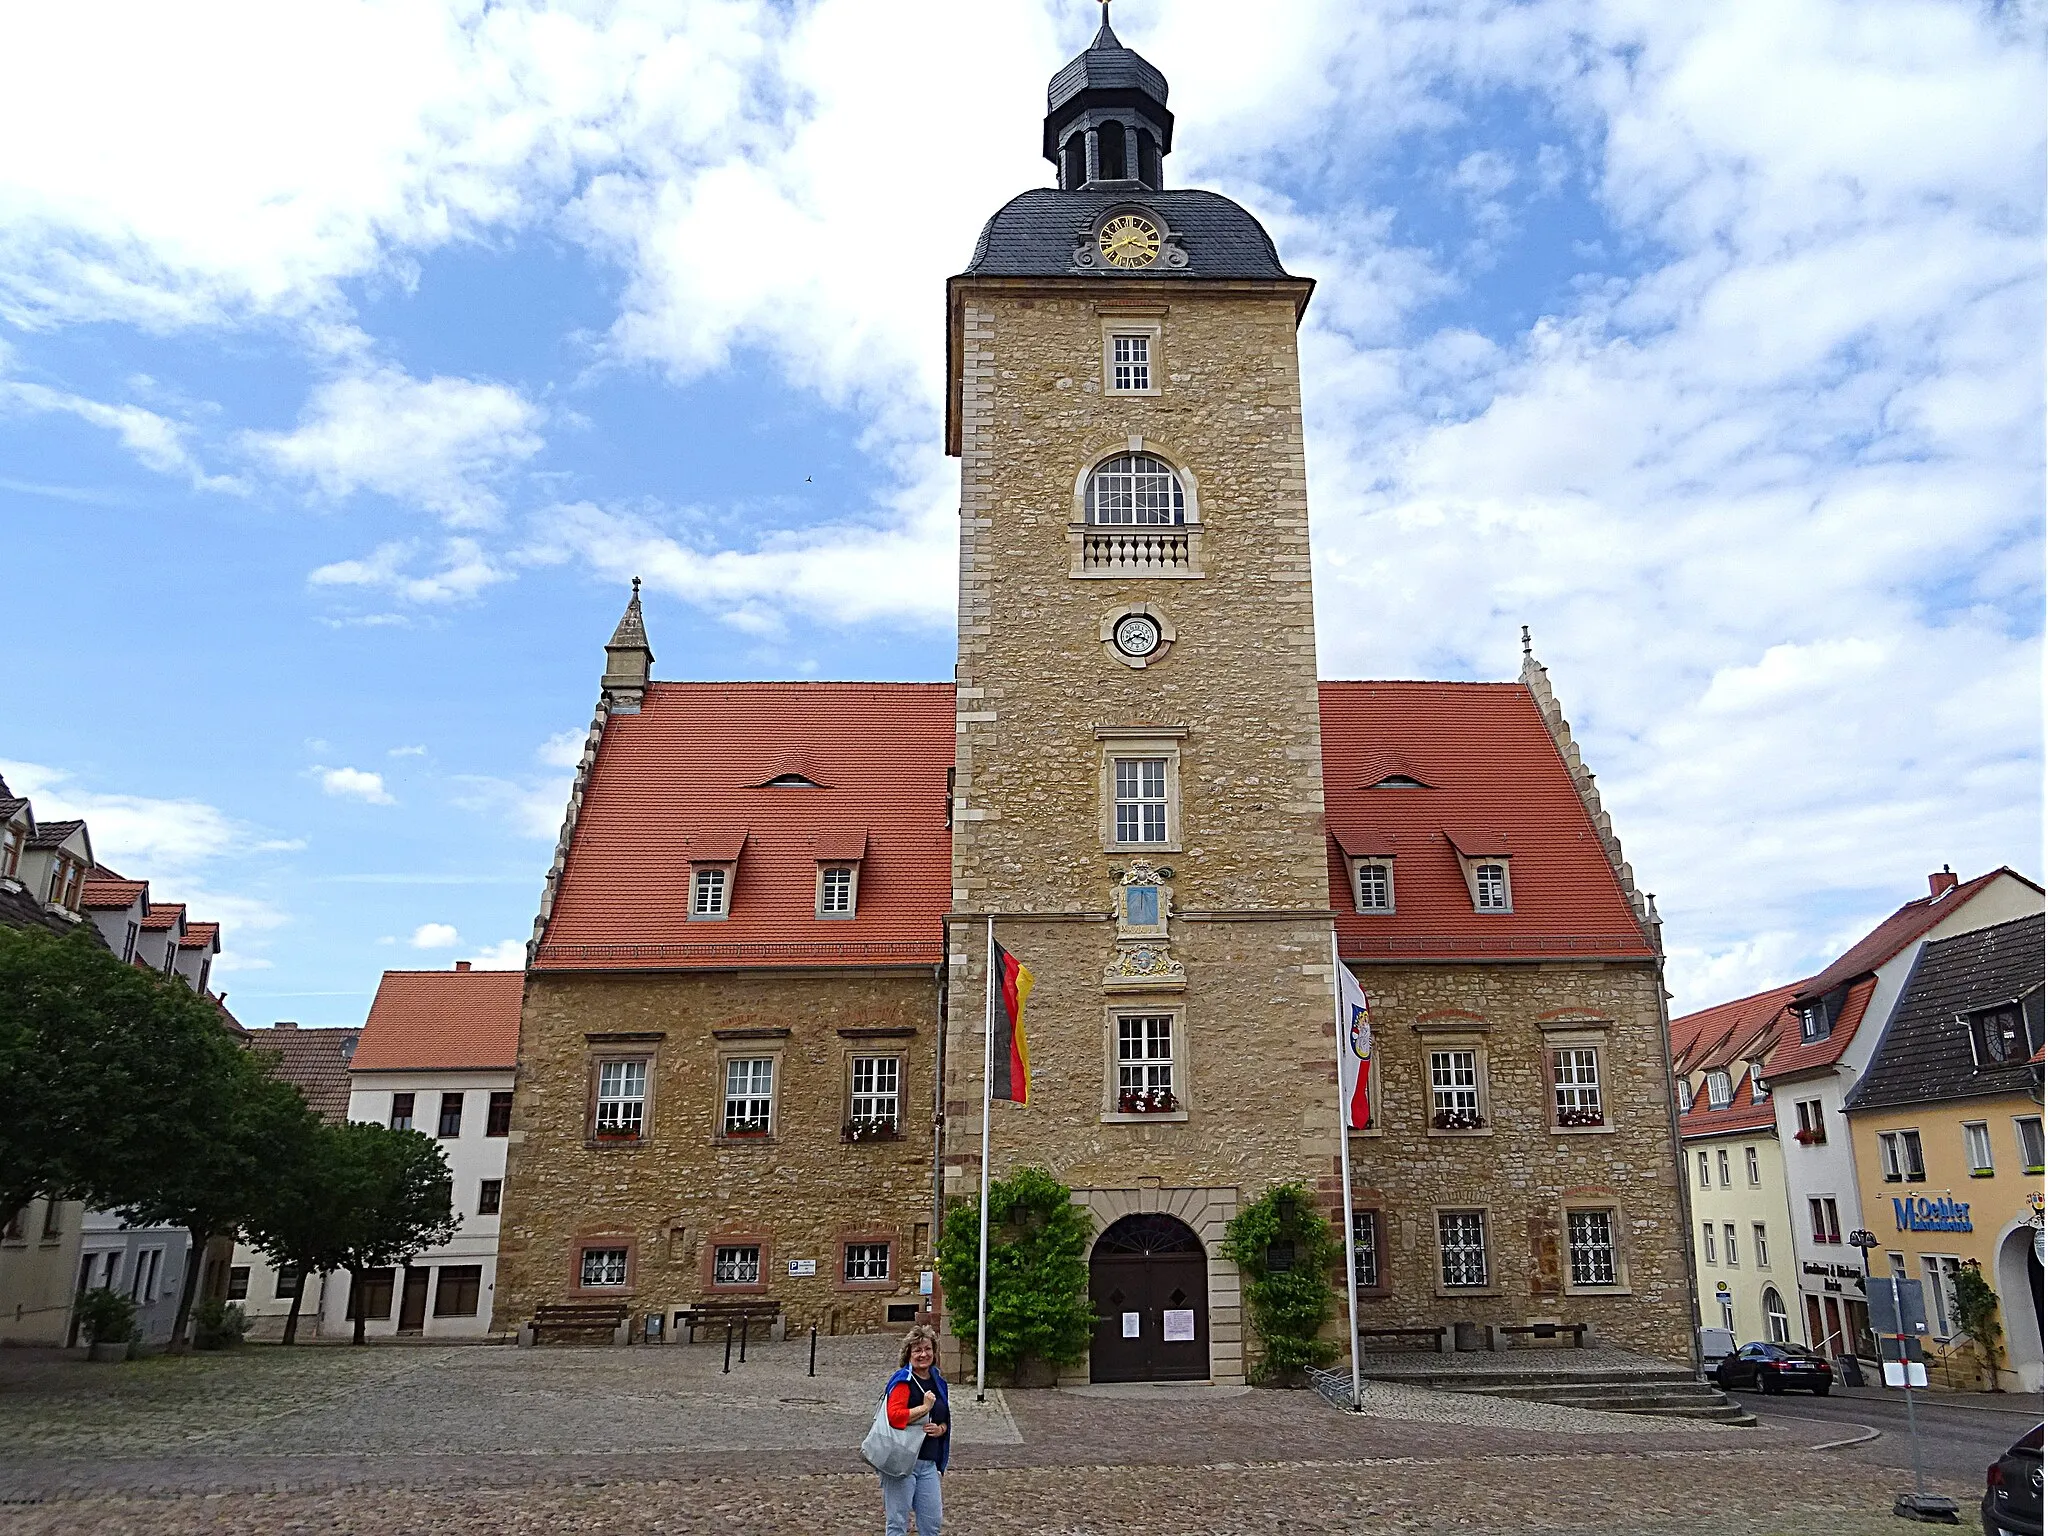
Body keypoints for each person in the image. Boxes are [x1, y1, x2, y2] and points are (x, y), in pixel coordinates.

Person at [878, 1323, 949, 1535]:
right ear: (908, 1354)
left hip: (928, 1462)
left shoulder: (938, 1382)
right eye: (917, 1350)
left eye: (927, 1349)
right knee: (898, 1522)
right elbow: (894, 1417)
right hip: (903, 1461)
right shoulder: (903, 1381)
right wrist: (924, 1408)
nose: (923, 1354)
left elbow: (944, 1417)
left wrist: (941, 1429)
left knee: (932, 1523)